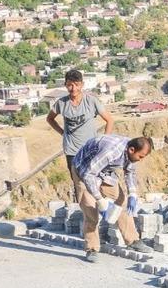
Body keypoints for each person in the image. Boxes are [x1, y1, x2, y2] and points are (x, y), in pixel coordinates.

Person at [72, 134, 154, 262]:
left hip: (104, 171)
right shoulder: (111, 152)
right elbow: (89, 175)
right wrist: (99, 200)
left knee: (122, 201)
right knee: (90, 210)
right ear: (131, 150)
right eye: (141, 156)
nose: (141, 159)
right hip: (83, 170)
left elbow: (130, 172)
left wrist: (132, 193)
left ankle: (132, 240)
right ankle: (92, 248)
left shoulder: (130, 152)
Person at [47, 69, 114, 202]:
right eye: (70, 85)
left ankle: (102, 207)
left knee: (96, 180)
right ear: (66, 85)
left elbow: (109, 120)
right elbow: (50, 119)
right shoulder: (61, 103)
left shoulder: (91, 101)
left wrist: (104, 141)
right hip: (72, 152)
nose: (73, 88)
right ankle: (84, 213)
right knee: (78, 184)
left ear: (82, 85)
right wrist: (62, 133)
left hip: (91, 149)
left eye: (76, 84)